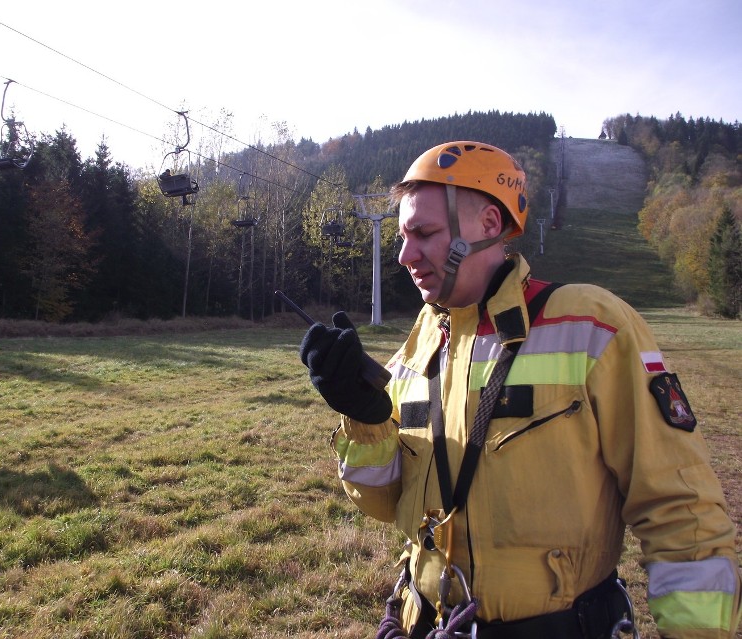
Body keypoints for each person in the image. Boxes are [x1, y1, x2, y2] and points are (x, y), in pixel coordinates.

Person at [299, 141, 741, 638]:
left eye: (423, 233)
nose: (404, 255)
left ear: (489, 226)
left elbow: (681, 509)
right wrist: (365, 417)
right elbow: (384, 505)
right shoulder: (419, 342)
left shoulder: (590, 324)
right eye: (402, 236)